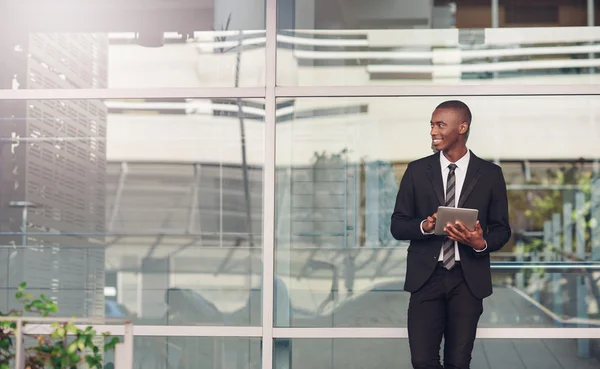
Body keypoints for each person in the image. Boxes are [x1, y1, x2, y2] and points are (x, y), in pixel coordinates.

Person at [390, 100, 511, 369]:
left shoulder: (491, 174)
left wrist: (481, 243)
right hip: (426, 277)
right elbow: (398, 225)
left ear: (462, 127)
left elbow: (502, 229)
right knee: (422, 361)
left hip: (468, 281)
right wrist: (425, 226)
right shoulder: (417, 170)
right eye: (432, 124)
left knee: (458, 363)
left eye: (440, 124)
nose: (433, 131)